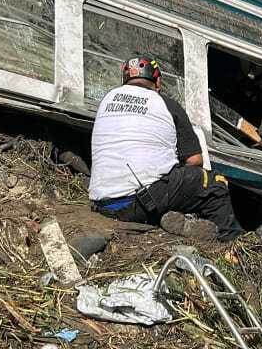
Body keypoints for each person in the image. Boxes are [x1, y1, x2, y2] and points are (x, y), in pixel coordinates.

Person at [88, 56, 244, 241]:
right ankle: (233, 244)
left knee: (163, 180)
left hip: (102, 204)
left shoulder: (106, 101)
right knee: (213, 183)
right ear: (157, 82)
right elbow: (195, 160)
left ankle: (180, 222)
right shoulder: (165, 104)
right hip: (138, 205)